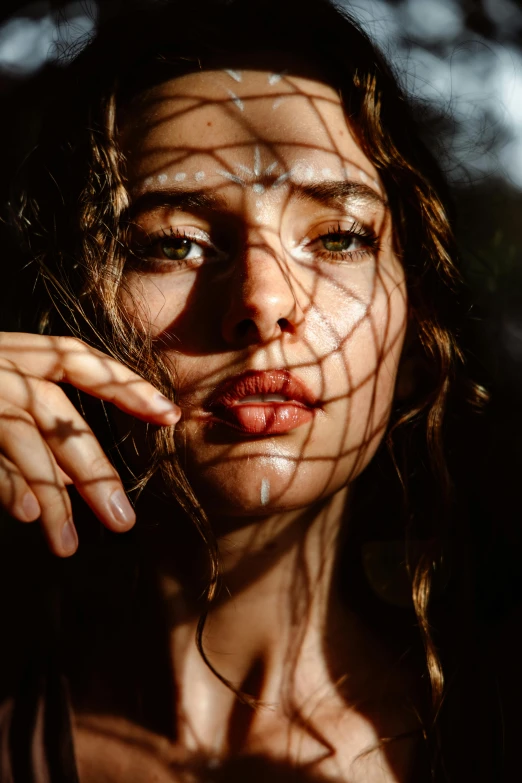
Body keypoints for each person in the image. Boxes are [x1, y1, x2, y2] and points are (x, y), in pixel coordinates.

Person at [0, 0, 492, 780]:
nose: (264, 299)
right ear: (65, 306)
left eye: (339, 236)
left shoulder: (492, 727)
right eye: (173, 244)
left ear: (414, 310)